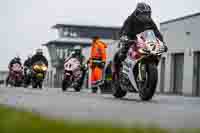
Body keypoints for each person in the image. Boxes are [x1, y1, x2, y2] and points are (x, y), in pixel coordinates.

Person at [112, 2, 168, 80]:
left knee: (157, 51)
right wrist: (124, 37)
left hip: (144, 40)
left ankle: (148, 70)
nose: (145, 16)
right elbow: (124, 30)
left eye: (147, 14)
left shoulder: (150, 21)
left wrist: (162, 43)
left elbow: (157, 32)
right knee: (122, 53)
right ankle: (118, 74)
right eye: (143, 14)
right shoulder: (130, 19)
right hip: (131, 39)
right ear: (137, 13)